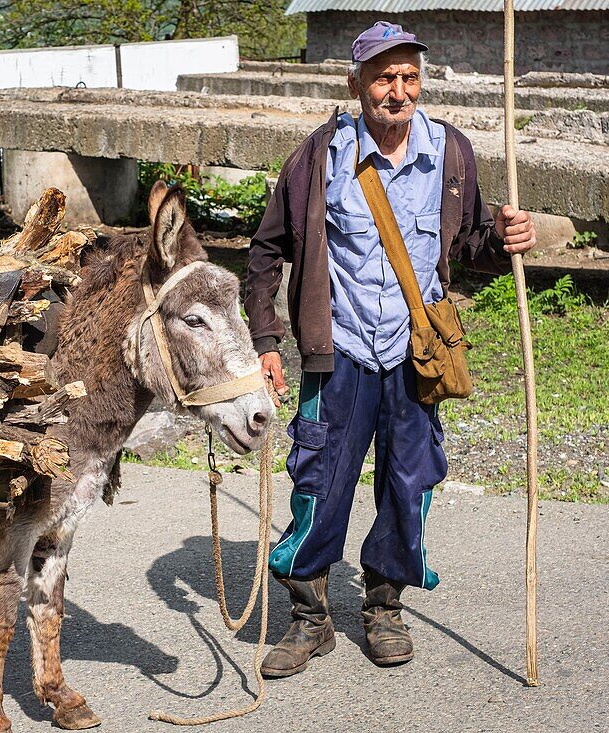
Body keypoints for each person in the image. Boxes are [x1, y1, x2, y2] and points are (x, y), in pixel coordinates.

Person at [245, 21, 537, 677]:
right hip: (340, 350)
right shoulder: (319, 157)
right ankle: (309, 616)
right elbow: (265, 251)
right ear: (356, 85)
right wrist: (266, 340)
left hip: (416, 356)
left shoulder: (451, 154)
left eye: (409, 77)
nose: (397, 91)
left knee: (410, 484)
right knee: (319, 484)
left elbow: (467, 248)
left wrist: (506, 237)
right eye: (383, 77)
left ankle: (383, 603)